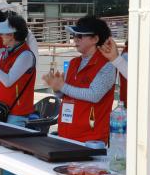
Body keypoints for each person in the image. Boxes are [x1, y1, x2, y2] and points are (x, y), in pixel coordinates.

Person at [43, 16, 116, 144]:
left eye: (80, 36)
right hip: (66, 133)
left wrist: (62, 86)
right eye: (74, 35)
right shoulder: (73, 62)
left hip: (91, 139)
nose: (75, 39)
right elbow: (64, 93)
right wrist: (57, 89)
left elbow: (94, 95)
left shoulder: (107, 65)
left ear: (95, 39)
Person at [0, 14, 36, 126]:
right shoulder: (5, 52)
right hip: (1, 108)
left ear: (11, 35)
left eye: (3, 33)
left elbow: (8, 81)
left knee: (10, 143)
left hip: (16, 113)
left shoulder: (26, 55)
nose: (1, 36)